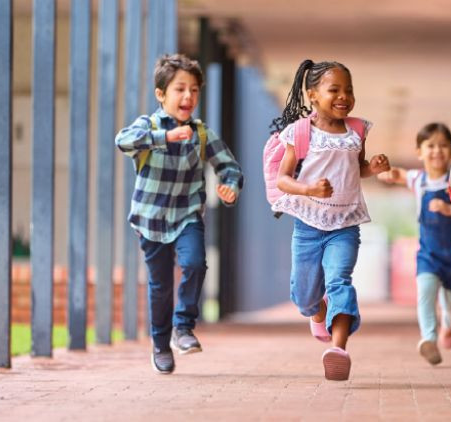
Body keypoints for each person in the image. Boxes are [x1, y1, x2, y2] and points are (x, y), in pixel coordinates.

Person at [115, 54, 243, 374]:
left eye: (195, 90)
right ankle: (160, 345)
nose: (188, 96)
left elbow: (229, 168)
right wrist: (164, 138)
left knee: (195, 262)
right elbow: (123, 141)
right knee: (160, 286)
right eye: (180, 89)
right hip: (151, 218)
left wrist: (230, 187)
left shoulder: (201, 133)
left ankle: (182, 328)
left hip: (187, 214)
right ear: (161, 94)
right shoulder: (149, 125)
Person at [272, 60, 390, 380]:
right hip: (308, 225)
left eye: (348, 90)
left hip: (345, 225)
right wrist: (308, 188)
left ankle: (339, 349)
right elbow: (283, 178)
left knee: (340, 280)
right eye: (333, 90)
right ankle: (317, 311)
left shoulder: (357, 130)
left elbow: (358, 168)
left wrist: (374, 169)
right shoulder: (299, 133)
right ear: (312, 94)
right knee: (304, 295)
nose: (343, 96)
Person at [378, 123, 451, 365]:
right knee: (425, 293)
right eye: (430, 146)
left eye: (443, 146)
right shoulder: (419, 179)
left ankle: (449, 325)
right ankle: (428, 339)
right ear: (419, 151)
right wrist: (387, 172)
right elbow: (399, 174)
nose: (437, 151)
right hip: (429, 254)